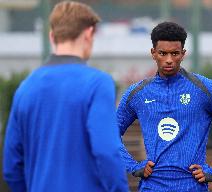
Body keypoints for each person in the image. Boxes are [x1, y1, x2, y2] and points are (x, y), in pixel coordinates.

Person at [3, 1, 128, 192]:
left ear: (52, 36)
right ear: (88, 34)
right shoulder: (98, 83)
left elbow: (12, 167)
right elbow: (107, 152)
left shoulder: (25, 88)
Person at [117, 21, 212, 191]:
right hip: (152, 187)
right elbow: (110, 133)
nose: (169, 60)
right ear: (153, 53)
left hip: (191, 187)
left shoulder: (205, 88)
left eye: (175, 53)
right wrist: (133, 166)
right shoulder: (137, 93)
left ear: (183, 54)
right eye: (162, 53)